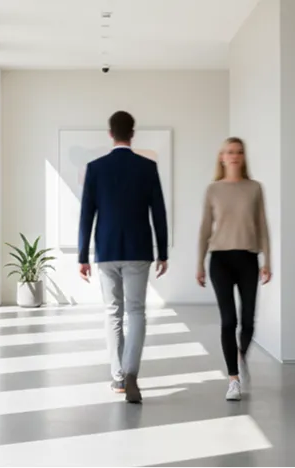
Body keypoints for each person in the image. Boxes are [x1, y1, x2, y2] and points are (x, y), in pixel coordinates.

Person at [78, 110, 169, 404]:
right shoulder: (147, 167)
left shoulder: (95, 168)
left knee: (112, 312)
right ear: (133, 133)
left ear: (110, 134)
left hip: (106, 251)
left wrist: (82, 256)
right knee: (137, 311)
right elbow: (159, 213)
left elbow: (86, 216)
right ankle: (132, 372)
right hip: (139, 250)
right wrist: (163, 251)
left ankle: (118, 377)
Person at [196, 137, 271, 401]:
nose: (234, 156)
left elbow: (262, 225)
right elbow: (205, 228)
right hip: (220, 260)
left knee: (248, 321)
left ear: (243, 156)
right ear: (221, 157)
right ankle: (233, 379)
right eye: (229, 152)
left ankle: (241, 352)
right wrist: (199, 264)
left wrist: (268, 261)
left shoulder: (254, 188)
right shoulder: (213, 189)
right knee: (229, 320)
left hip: (248, 259)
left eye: (238, 152)